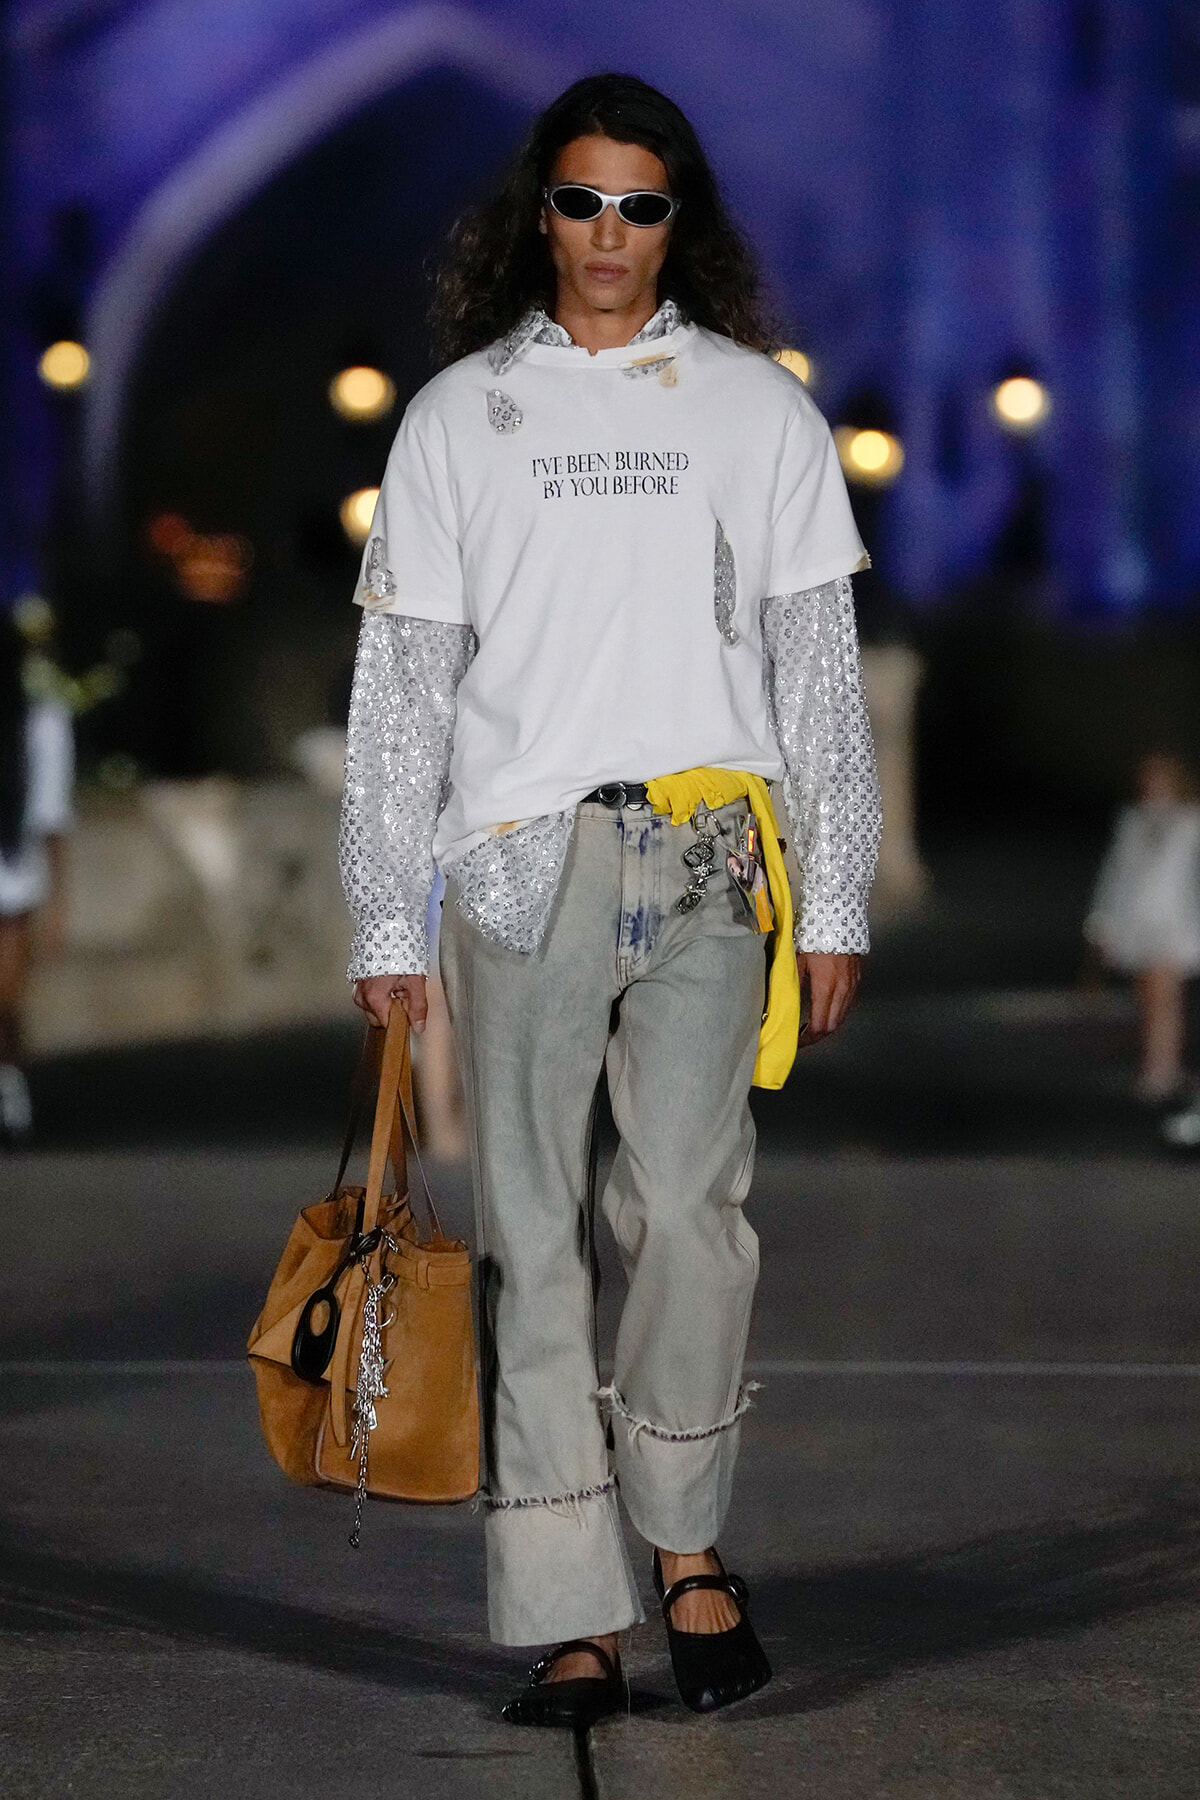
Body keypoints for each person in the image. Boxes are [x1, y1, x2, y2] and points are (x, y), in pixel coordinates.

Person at [339, 73, 880, 1725]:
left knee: (692, 1218)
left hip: (717, 850)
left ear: (678, 226)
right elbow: (406, 690)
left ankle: (689, 1544)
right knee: (534, 1240)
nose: (609, 238)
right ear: (540, 213)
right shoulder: (455, 418)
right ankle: (575, 1606)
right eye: (582, 202)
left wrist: (838, 893)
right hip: (524, 858)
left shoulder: (755, 412)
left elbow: (817, 669)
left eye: (641, 208)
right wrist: (381, 921)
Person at [1085, 751, 1200, 1108]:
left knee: (1164, 994)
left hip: (1174, 921)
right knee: (1149, 998)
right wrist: (1101, 921)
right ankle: (1157, 1065)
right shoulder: (1131, 820)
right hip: (1135, 920)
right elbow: (1115, 874)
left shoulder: (1190, 820)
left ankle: (1161, 1070)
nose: (1152, 784)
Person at [0, 610, 74, 1146]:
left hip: (13, 887)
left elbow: (52, 820)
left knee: (5, 1000)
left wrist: (60, 905)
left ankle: (9, 1086)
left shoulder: (40, 722)